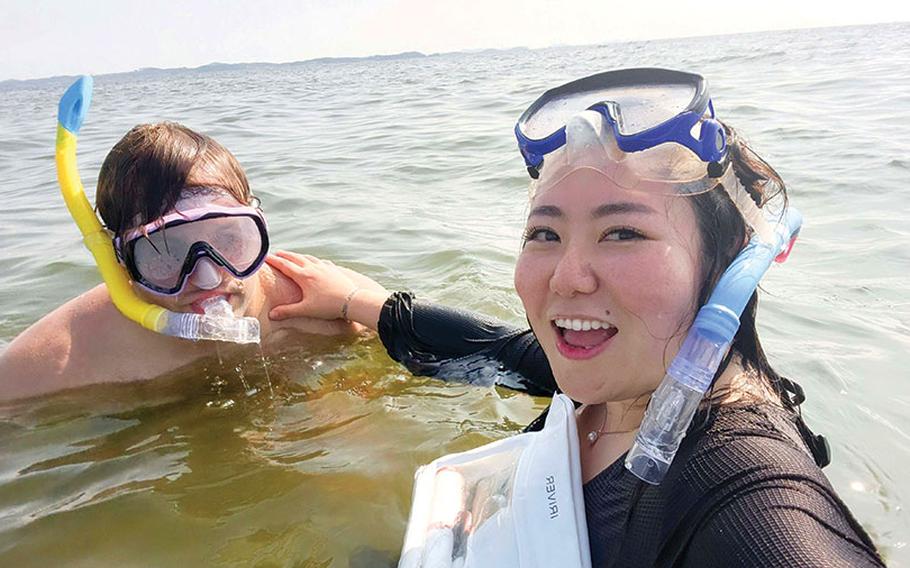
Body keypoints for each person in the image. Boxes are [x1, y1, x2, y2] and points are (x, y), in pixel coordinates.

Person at [267, 69, 885, 566]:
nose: (567, 275)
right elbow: (500, 354)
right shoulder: (608, 386)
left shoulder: (745, 491)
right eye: (545, 233)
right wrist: (360, 305)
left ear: (727, 267)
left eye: (622, 232)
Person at [0, 122, 381, 402]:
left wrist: (353, 304)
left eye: (228, 239)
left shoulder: (320, 298)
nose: (207, 276)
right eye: (164, 251)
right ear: (121, 264)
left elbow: (428, 339)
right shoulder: (71, 351)